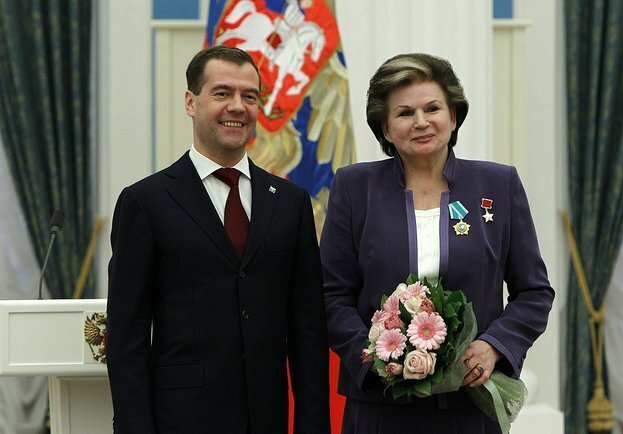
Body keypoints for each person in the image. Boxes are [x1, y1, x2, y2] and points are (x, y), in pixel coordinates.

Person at [320, 53, 555, 433]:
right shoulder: (354, 187)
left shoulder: (498, 185)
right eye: (404, 113)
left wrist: (494, 346)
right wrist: (375, 357)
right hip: (380, 406)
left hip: (470, 402)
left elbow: (534, 292)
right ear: (385, 128)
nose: (421, 122)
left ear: (453, 116)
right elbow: (331, 294)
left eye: (432, 108)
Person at [106, 45, 330, 434]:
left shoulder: (290, 202)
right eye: (222, 93)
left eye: (250, 96)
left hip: (267, 418)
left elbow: (308, 328)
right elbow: (127, 334)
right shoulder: (146, 202)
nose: (237, 107)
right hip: (181, 419)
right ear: (190, 102)